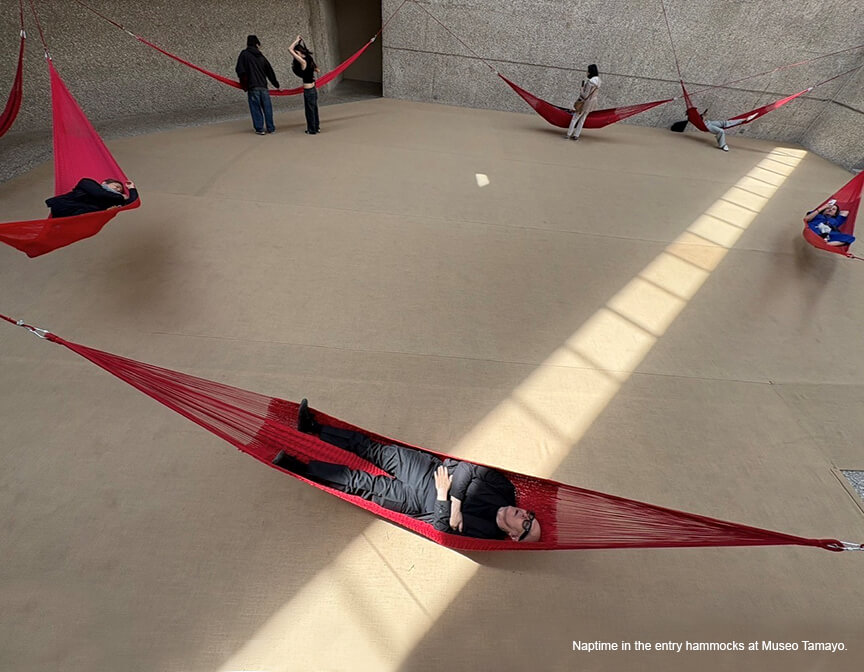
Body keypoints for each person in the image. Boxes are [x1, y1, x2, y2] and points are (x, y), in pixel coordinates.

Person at [273, 400, 542, 542]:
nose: (525, 515)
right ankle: (314, 428)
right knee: (371, 449)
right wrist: (455, 504)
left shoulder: (487, 534)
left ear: (514, 536)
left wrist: (443, 496)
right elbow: (471, 467)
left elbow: (442, 530)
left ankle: (300, 469)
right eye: (530, 515)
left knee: (360, 483)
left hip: (415, 502)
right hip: (427, 470)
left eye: (526, 524)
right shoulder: (505, 490)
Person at [236, 35, 280, 135]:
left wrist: (244, 85)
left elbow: (240, 70)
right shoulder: (261, 56)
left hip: (252, 86)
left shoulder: (244, 54)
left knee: (255, 108)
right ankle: (271, 128)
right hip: (263, 86)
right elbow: (270, 71)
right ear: (257, 44)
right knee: (267, 108)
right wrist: (276, 85)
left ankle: (260, 129)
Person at [45, 178, 138, 218]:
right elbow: (100, 194)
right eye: (116, 186)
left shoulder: (113, 200)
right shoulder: (87, 182)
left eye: (120, 190)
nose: (118, 190)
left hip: (75, 217)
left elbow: (132, 203)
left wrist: (132, 188)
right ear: (105, 183)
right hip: (65, 206)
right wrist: (121, 197)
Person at [288, 35, 320, 134]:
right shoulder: (309, 59)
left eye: (296, 53)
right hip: (313, 88)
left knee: (309, 110)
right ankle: (316, 127)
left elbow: (289, 49)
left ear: (299, 52)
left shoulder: (303, 62)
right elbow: (317, 70)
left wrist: (296, 40)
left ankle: (312, 130)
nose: (295, 55)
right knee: (314, 109)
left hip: (308, 90)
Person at [565, 64, 601, 141]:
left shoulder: (590, 82)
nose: (586, 72)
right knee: (582, 119)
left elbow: (585, 95)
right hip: (592, 103)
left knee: (575, 118)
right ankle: (576, 135)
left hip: (585, 103)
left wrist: (581, 89)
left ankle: (568, 134)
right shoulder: (598, 81)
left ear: (590, 72)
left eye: (587, 71)